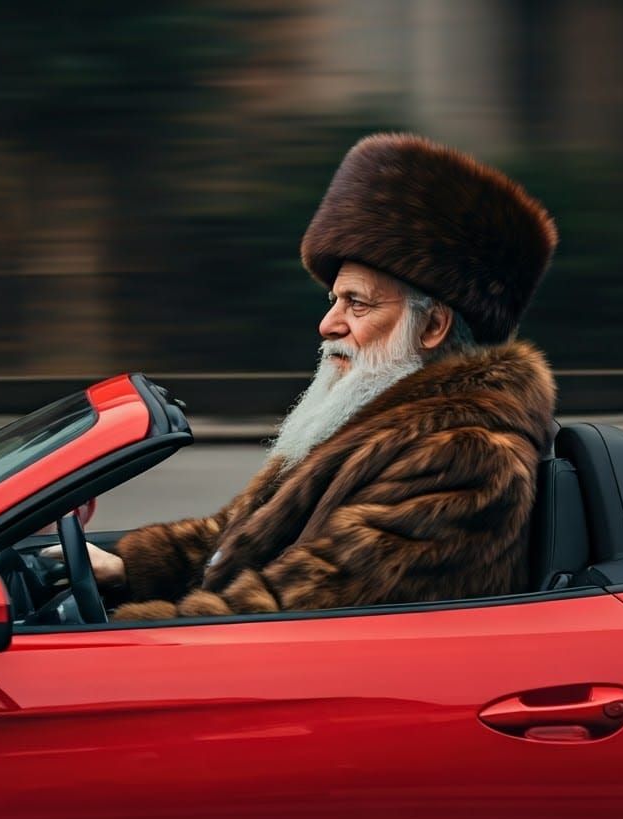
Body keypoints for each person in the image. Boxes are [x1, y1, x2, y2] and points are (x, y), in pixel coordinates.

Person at [94, 133, 559, 620]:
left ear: (432, 327)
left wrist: (128, 635)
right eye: (334, 300)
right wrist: (127, 567)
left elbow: (289, 612)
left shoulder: (469, 456)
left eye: (357, 304)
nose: (328, 324)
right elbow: (240, 539)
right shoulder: (373, 423)